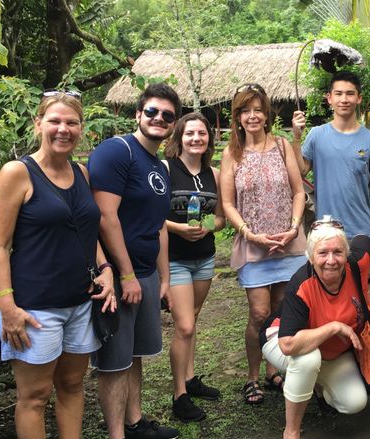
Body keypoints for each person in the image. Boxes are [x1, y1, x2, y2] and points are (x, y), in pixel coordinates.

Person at [0, 90, 117, 438]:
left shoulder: (82, 173)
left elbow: (87, 233)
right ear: (38, 123)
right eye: (55, 121)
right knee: (34, 396)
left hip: (80, 302)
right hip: (34, 308)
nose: (63, 129)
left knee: (73, 385)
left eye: (71, 122)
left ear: (81, 128)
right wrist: (7, 305)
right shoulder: (18, 173)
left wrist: (106, 271)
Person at [88, 83, 181, 439]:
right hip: (116, 275)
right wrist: (124, 274)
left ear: (173, 124)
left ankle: (135, 422)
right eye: (153, 112)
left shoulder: (158, 164)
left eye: (168, 115)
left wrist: (164, 280)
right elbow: (105, 217)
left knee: (134, 355)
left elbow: (157, 227)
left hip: (145, 274)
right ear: (138, 115)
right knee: (114, 362)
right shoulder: (117, 151)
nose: (160, 119)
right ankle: (116, 434)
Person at [220, 83, 308, 405]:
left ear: (267, 114)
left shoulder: (283, 146)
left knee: (280, 310)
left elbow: (299, 192)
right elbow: (228, 203)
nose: (252, 116)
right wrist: (248, 232)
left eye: (258, 109)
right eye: (245, 110)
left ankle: (274, 370)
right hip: (253, 246)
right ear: (238, 117)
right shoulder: (232, 153)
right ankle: (252, 376)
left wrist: (294, 227)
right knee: (258, 313)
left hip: (288, 244)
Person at [259, 218, 370, 439]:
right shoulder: (301, 283)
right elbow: (288, 343)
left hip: (332, 351)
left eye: (338, 252)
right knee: (307, 360)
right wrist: (334, 327)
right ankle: (291, 431)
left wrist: (369, 287)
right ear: (311, 256)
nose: (331, 260)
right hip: (280, 338)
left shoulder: (357, 264)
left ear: (347, 254)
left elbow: (363, 239)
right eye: (322, 253)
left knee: (355, 402)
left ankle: (316, 385)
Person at [162, 113, 226, 421]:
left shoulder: (213, 172)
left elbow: (222, 217)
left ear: (208, 139)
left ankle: (189, 378)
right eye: (190, 133)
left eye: (202, 133)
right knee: (184, 325)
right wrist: (179, 228)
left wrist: (206, 226)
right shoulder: (166, 169)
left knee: (194, 319)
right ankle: (179, 395)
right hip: (175, 258)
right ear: (179, 137)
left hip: (205, 256)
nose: (196, 138)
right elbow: (153, 217)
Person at [291, 71, 370, 250]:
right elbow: (301, 171)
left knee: (361, 278)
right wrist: (297, 139)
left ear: (359, 98)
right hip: (325, 230)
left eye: (350, 93)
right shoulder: (316, 135)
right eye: (338, 94)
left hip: (361, 231)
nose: (344, 99)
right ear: (329, 98)